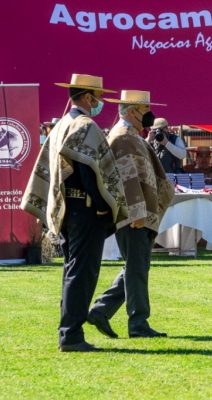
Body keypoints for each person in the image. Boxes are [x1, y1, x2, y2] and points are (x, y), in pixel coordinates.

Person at [21, 73, 128, 352]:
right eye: (99, 97)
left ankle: (68, 331)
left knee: (72, 271)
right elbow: (87, 170)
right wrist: (105, 204)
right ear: (87, 96)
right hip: (86, 210)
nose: (101, 102)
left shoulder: (61, 125)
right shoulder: (85, 125)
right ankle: (71, 335)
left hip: (65, 209)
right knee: (82, 273)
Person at [88, 90, 175, 339]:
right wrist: (136, 212)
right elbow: (125, 179)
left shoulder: (130, 136)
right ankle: (138, 324)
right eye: (146, 110)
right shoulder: (122, 137)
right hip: (133, 215)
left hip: (137, 214)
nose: (150, 115)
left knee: (136, 266)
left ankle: (101, 310)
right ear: (133, 112)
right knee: (137, 268)